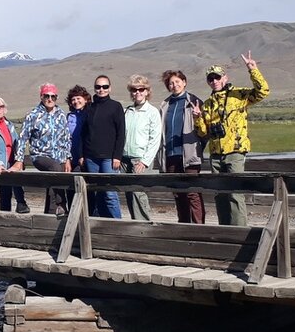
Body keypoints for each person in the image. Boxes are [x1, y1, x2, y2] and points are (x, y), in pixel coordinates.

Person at [194, 51, 270, 226]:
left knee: (235, 193)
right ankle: (225, 230)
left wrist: (253, 69)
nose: (214, 81)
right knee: (220, 193)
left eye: (217, 77)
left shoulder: (238, 95)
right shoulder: (207, 104)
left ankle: (239, 231)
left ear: (225, 78)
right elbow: (203, 132)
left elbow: (263, 92)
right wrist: (198, 117)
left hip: (235, 150)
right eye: (210, 79)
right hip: (216, 154)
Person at [14, 83, 72, 216]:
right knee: (55, 168)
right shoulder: (33, 115)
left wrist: (68, 158)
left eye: (53, 96)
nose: (50, 99)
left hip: (60, 156)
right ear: (41, 97)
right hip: (40, 155)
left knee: (53, 182)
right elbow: (22, 138)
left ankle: (49, 215)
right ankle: (61, 203)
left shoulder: (61, 115)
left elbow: (67, 138)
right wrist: (19, 160)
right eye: (47, 96)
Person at [159, 69, 206, 223]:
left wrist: (197, 148)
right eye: (171, 83)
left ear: (184, 82)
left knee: (192, 192)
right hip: (171, 155)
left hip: (189, 154)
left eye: (177, 82)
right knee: (178, 193)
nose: (174, 85)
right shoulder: (165, 104)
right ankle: (184, 225)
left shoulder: (194, 101)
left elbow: (204, 131)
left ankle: (199, 228)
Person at [79, 74, 125, 218]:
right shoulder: (90, 108)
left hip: (109, 158)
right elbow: (83, 133)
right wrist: (81, 155)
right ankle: (103, 226)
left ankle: (117, 225)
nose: (101, 89)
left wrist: (117, 156)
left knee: (110, 194)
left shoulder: (116, 106)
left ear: (109, 88)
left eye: (105, 86)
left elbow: (121, 133)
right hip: (91, 158)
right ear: (95, 89)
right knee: (97, 193)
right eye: (98, 87)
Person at [121, 75, 162, 222]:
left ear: (146, 91)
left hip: (140, 159)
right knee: (129, 193)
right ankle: (134, 223)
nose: (137, 92)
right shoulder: (127, 111)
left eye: (141, 89)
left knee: (139, 193)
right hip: (124, 159)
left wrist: (145, 161)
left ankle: (144, 224)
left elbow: (155, 139)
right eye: (134, 89)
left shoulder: (152, 112)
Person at [64, 85, 90, 210]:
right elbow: (65, 138)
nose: (76, 101)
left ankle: (86, 214)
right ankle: (71, 214)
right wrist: (67, 158)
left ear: (85, 99)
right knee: (70, 185)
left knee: (85, 188)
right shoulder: (69, 117)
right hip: (71, 158)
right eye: (73, 99)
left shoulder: (90, 115)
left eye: (78, 98)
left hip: (86, 158)